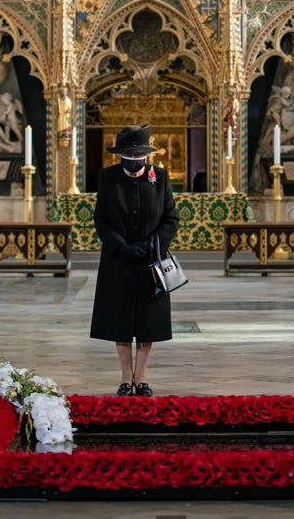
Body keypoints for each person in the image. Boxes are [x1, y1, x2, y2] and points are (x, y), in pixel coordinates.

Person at [90, 124, 179, 398]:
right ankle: (124, 377)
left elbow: (171, 219)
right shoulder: (108, 178)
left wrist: (152, 245)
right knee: (120, 321)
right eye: (128, 157)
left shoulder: (160, 177)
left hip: (151, 262)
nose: (133, 162)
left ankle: (141, 378)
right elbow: (101, 219)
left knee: (147, 323)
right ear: (120, 157)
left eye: (138, 156)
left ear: (145, 155)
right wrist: (122, 246)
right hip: (119, 261)